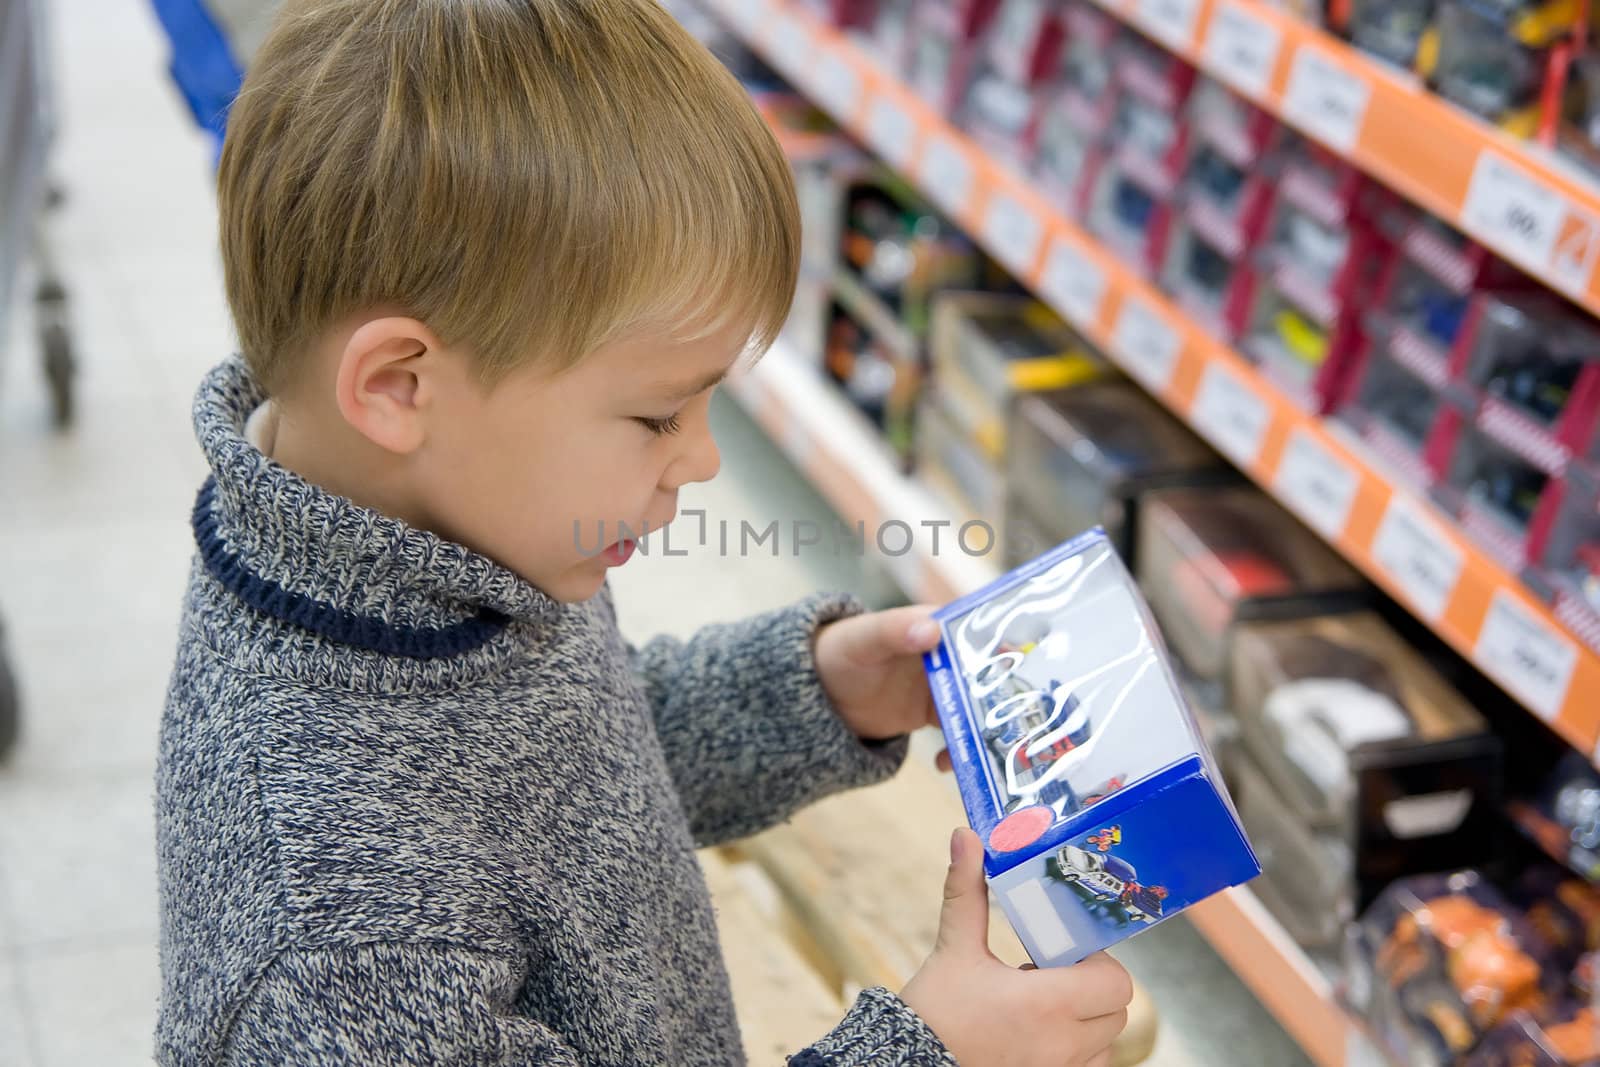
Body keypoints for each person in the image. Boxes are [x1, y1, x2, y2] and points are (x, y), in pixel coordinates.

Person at [154, 2, 1134, 1064]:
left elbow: (565, 774)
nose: (702, 458)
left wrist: (815, 690)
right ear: (398, 385)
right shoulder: (339, 943)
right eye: (657, 414)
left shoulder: (448, 542)